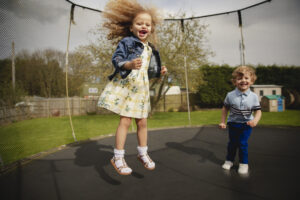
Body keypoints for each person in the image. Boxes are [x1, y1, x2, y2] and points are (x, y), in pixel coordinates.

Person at [98, 0, 167, 175]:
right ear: (131, 27)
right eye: (139, 23)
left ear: (151, 28)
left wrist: (159, 72)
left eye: (147, 24)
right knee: (126, 121)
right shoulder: (128, 42)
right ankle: (118, 157)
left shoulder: (151, 48)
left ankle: (142, 153)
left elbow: (148, 72)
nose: (144, 26)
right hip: (128, 87)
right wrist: (128, 64)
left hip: (141, 90)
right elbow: (117, 59)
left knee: (142, 122)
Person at [219, 66, 262, 174]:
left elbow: (258, 111)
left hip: (246, 124)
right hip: (233, 123)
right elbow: (225, 109)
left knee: (242, 143)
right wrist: (223, 121)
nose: (243, 80)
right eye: (239, 78)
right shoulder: (230, 95)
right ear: (234, 82)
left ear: (251, 81)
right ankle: (229, 160)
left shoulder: (253, 96)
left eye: (246, 78)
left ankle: (243, 163)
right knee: (232, 143)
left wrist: (255, 121)